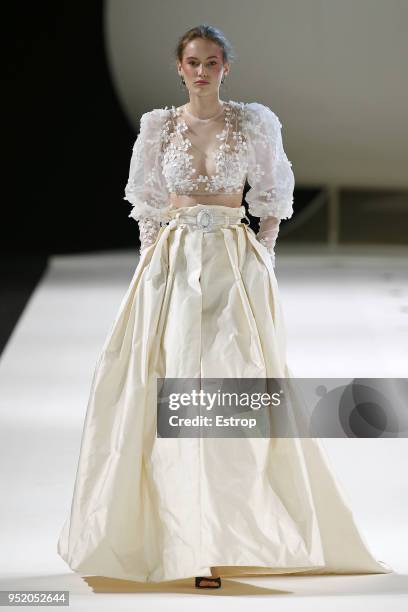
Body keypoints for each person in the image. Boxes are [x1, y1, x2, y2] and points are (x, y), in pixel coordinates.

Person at [57, 25, 393, 590]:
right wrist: (150, 271)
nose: (202, 71)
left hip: (234, 268)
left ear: (225, 68)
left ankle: (219, 534)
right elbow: (147, 206)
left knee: (232, 393)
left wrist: (262, 258)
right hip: (173, 266)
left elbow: (270, 198)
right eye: (193, 62)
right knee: (173, 390)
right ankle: (188, 540)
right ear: (179, 67)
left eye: (212, 62)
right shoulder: (159, 128)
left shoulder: (252, 122)